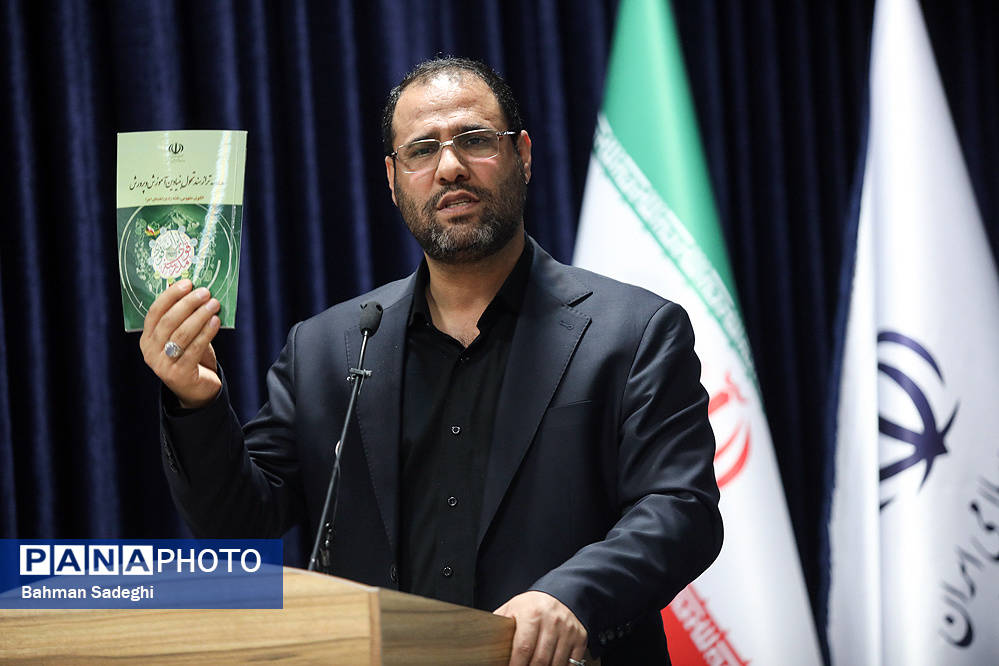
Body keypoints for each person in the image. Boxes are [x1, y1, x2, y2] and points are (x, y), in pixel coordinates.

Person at [140, 57, 722, 665]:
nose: (450, 167)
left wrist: (572, 597)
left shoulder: (633, 331)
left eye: (475, 140)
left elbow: (680, 509)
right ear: (393, 180)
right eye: (422, 150)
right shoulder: (326, 348)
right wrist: (196, 401)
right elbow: (239, 523)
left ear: (523, 155)